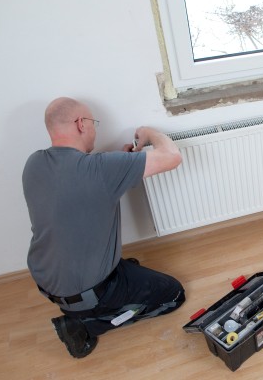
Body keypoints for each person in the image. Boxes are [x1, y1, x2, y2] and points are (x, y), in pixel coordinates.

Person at [22, 97, 186, 358]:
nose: (95, 130)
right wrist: (149, 133)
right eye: (94, 123)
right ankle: (86, 325)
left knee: (128, 266)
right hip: (88, 295)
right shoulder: (100, 169)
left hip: (48, 282)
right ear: (80, 124)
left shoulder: (34, 164)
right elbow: (172, 156)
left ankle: (95, 301)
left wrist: (121, 164)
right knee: (174, 295)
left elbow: (80, 184)